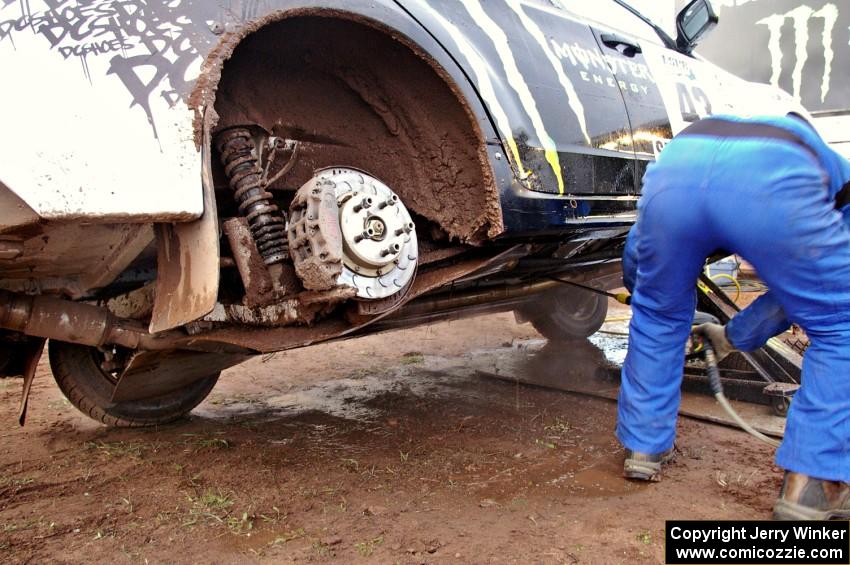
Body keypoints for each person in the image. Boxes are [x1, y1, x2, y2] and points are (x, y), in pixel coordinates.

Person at [617, 114, 850, 520]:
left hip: (674, 170)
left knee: (657, 315)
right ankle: (815, 484)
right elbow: (795, 299)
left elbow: (638, 251)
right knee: (840, 327)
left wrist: (647, 296)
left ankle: (644, 446)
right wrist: (736, 335)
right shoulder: (830, 170)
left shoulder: (720, 133)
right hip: (772, 185)